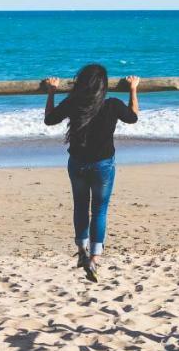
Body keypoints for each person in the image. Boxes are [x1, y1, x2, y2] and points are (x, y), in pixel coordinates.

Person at [42, 64, 140, 281]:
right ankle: (94, 259)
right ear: (103, 86)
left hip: (78, 163)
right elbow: (133, 117)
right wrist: (133, 88)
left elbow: (49, 119)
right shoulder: (112, 105)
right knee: (99, 210)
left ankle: (82, 251)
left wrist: (51, 91)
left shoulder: (74, 103)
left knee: (80, 205)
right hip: (103, 165)